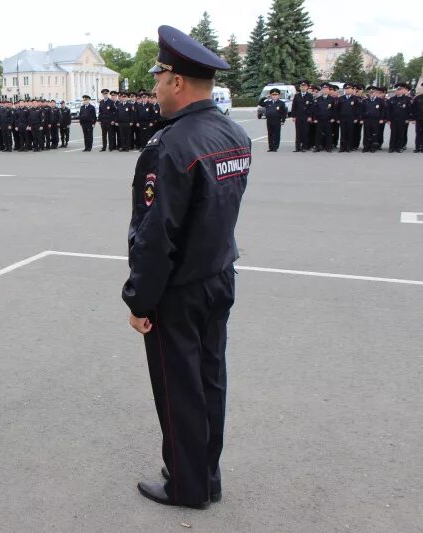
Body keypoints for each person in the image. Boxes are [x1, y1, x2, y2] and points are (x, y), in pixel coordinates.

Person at [122, 24, 250, 510]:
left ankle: (186, 484)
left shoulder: (171, 146)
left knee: (179, 390)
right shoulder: (231, 132)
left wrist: (139, 298)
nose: (153, 87)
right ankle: (205, 472)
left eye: (158, 77)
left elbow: (156, 237)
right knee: (210, 380)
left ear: (177, 81)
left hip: (179, 288)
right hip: (218, 275)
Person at [387, 82, 413, 153]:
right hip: (393, 120)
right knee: (393, 134)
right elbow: (388, 110)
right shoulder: (391, 99)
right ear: (396, 91)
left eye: (400, 89)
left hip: (402, 119)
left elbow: (409, 110)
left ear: (402, 90)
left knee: (401, 134)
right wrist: (388, 119)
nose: (398, 91)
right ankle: (392, 147)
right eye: (397, 90)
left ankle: (399, 147)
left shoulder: (407, 99)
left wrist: (408, 119)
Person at [360, 86, 387, 153]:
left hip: (376, 120)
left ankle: (373, 147)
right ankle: (366, 147)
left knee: (374, 134)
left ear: (376, 93)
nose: (372, 93)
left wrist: (381, 119)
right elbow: (361, 110)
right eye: (370, 92)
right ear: (369, 93)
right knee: (367, 134)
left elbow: (382, 111)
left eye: (373, 92)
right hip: (367, 120)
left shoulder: (380, 101)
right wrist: (361, 119)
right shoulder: (365, 101)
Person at [335, 83, 360, 152]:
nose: (347, 90)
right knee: (343, 133)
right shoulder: (341, 98)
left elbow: (358, 110)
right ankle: (342, 147)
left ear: (352, 90)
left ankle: (349, 147)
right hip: (342, 118)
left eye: (349, 89)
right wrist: (337, 118)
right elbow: (337, 109)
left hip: (351, 118)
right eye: (346, 89)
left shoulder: (355, 99)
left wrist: (356, 118)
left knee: (350, 133)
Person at [290, 80, 314, 152]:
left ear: (307, 87)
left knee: (305, 132)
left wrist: (310, 116)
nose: (303, 88)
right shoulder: (297, 95)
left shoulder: (309, 96)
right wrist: (293, 116)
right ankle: (297, 147)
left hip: (306, 117)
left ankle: (304, 147)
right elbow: (294, 106)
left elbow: (311, 107)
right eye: (301, 86)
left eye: (304, 86)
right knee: (298, 132)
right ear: (300, 87)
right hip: (298, 117)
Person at [312, 83, 336, 152]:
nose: (325, 90)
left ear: (328, 90)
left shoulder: (332, 99)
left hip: (328, 120)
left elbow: (334, 110)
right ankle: (318, 147)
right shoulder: (318, 99)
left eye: (326, 89)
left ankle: (328, 147)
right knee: (318, 134)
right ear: (321, 90)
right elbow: (315, 110)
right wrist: (315, 118)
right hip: (319, 120)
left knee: (328, 134)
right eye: (323, 89)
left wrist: (333, 118)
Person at [413, 89, 423, 153]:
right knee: (418, 133)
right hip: (419, 119)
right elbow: (414, 109)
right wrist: (413, 118)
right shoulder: (418, 98)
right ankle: (417, 147)